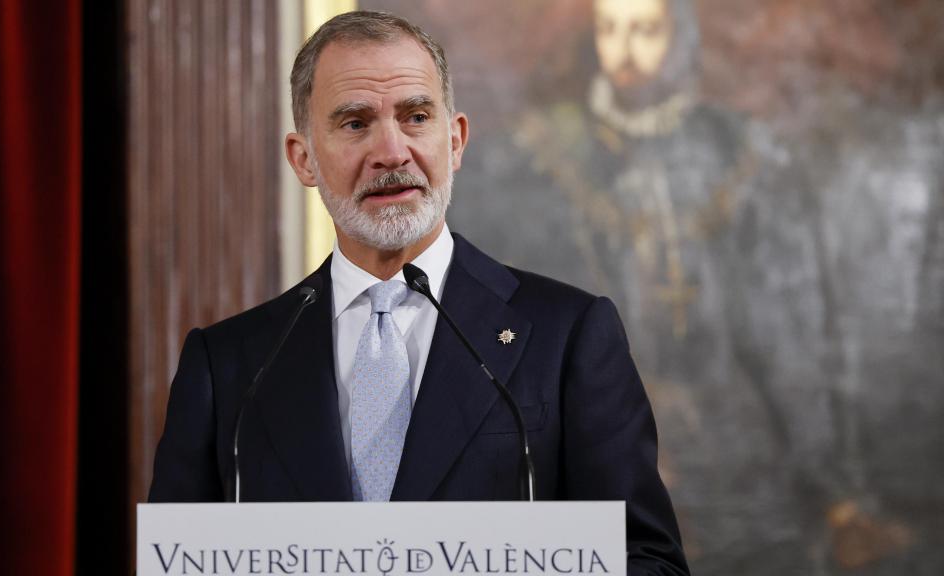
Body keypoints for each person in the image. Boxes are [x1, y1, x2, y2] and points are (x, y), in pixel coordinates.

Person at [149, 10, 689, 574]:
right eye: (355, 123)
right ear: (303, 157)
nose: (391, 151)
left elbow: (649, 562)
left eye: (416, 116)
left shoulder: (569, 336)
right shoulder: (229, 364)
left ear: (454, 140)